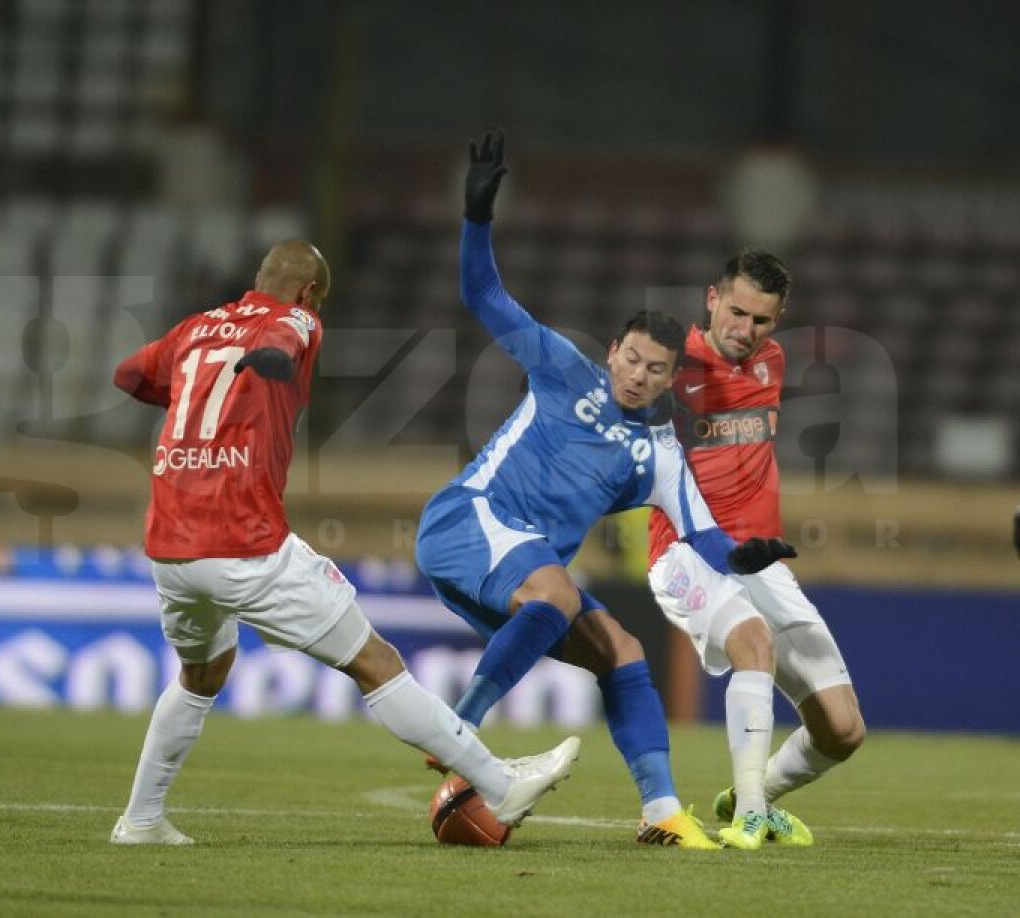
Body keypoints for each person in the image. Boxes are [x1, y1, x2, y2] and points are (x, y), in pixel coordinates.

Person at [109, 239, 580, 845]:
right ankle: (497, 783)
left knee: (201, 674)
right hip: (244, 546)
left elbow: (127, 374)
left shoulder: (198, 327)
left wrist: (190, 393)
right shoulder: (295, 318)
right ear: (308, 293)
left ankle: (142, 819)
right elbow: (284, 341)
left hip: (170, 549)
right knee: (376, 663)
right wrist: (275, 358)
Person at [415, 133, 794, 850]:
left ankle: (662, 813)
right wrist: (476, 217)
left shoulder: (658, 456)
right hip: (468, 522)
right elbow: (482, 294)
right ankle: (458, 727)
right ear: (612, 349)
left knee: (622, 650)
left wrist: (747, 556)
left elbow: (705, 538)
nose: (637, 376)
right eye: (629, 358)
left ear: (671, 375)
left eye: (656, 369)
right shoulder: (562, 366)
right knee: (558, 593)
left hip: (521, 573)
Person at [648, 251, 867, 849]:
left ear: (779, 320)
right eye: (736, 312)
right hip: (685, 555)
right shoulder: (671, 370)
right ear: (711, 299)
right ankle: (746, 813)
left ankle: (757, 796)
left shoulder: (773, 360)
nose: (746, 331)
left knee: (843, 730)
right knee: (754, 642)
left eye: (761, 320)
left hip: (760, 560)